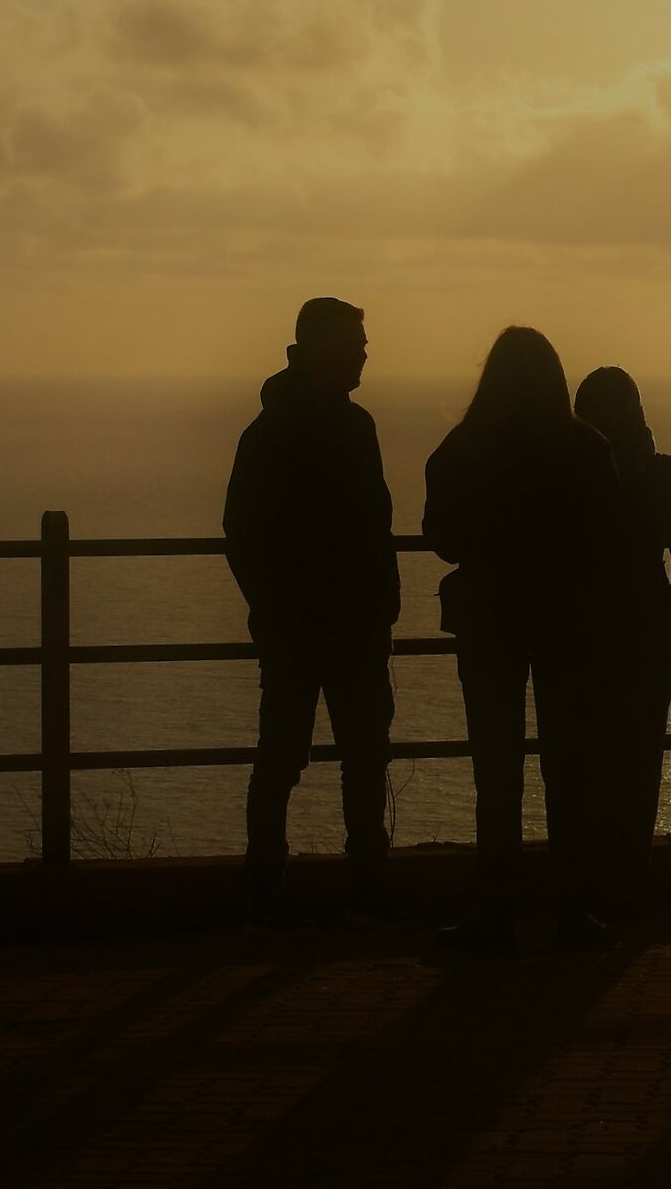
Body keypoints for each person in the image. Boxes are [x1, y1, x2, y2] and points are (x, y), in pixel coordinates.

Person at [425, 326, 622, 950]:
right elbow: (604, 543)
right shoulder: (587, 450)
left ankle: (497, 909)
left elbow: (444, 538)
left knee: (496, 767)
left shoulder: (462, 449)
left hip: (489, 621)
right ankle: (572, 909)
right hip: (568, 622)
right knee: (570, 765)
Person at [223, 297, 400, 928]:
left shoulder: (282, 430)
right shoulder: (322, 431)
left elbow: (242, 536)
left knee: (292, 757)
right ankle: (360, 885)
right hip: (326, 626)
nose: (364, 351)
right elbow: (245, 535)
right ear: (320, 346)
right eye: (355, 341)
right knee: (344, 756)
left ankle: (268, 884)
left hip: (318, 626)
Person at [573, 366, 671, 913]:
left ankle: (591, 885)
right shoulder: (664, 474)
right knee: (639, 764)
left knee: (586, 764)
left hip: (583, 637)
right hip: (647, 638)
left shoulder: (575, 478)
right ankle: (627, 886)